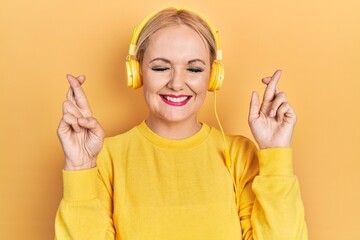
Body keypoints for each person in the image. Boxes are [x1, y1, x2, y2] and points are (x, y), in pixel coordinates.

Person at [55, 6, 308, 240]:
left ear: (213, 77)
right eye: (160, 68)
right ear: (137, 71)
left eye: (194, 69)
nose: (176, 83)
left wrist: (276, 154)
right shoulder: (104, 158)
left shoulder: (240, 154)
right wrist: (80, 167)